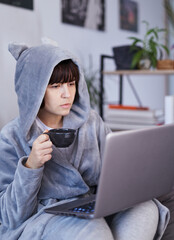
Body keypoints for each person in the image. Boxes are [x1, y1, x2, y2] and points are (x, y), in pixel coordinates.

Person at [0, 42, 170, 240]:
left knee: (146, 209)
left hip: (92, 204)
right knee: (93, 230)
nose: (67, 94)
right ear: (34, 90)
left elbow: (116, 174)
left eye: (71, 83)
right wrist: (31, 166)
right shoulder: (11, 137)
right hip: (46, 216)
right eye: (55, 86)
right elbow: (9, 216)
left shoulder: (92, 122)